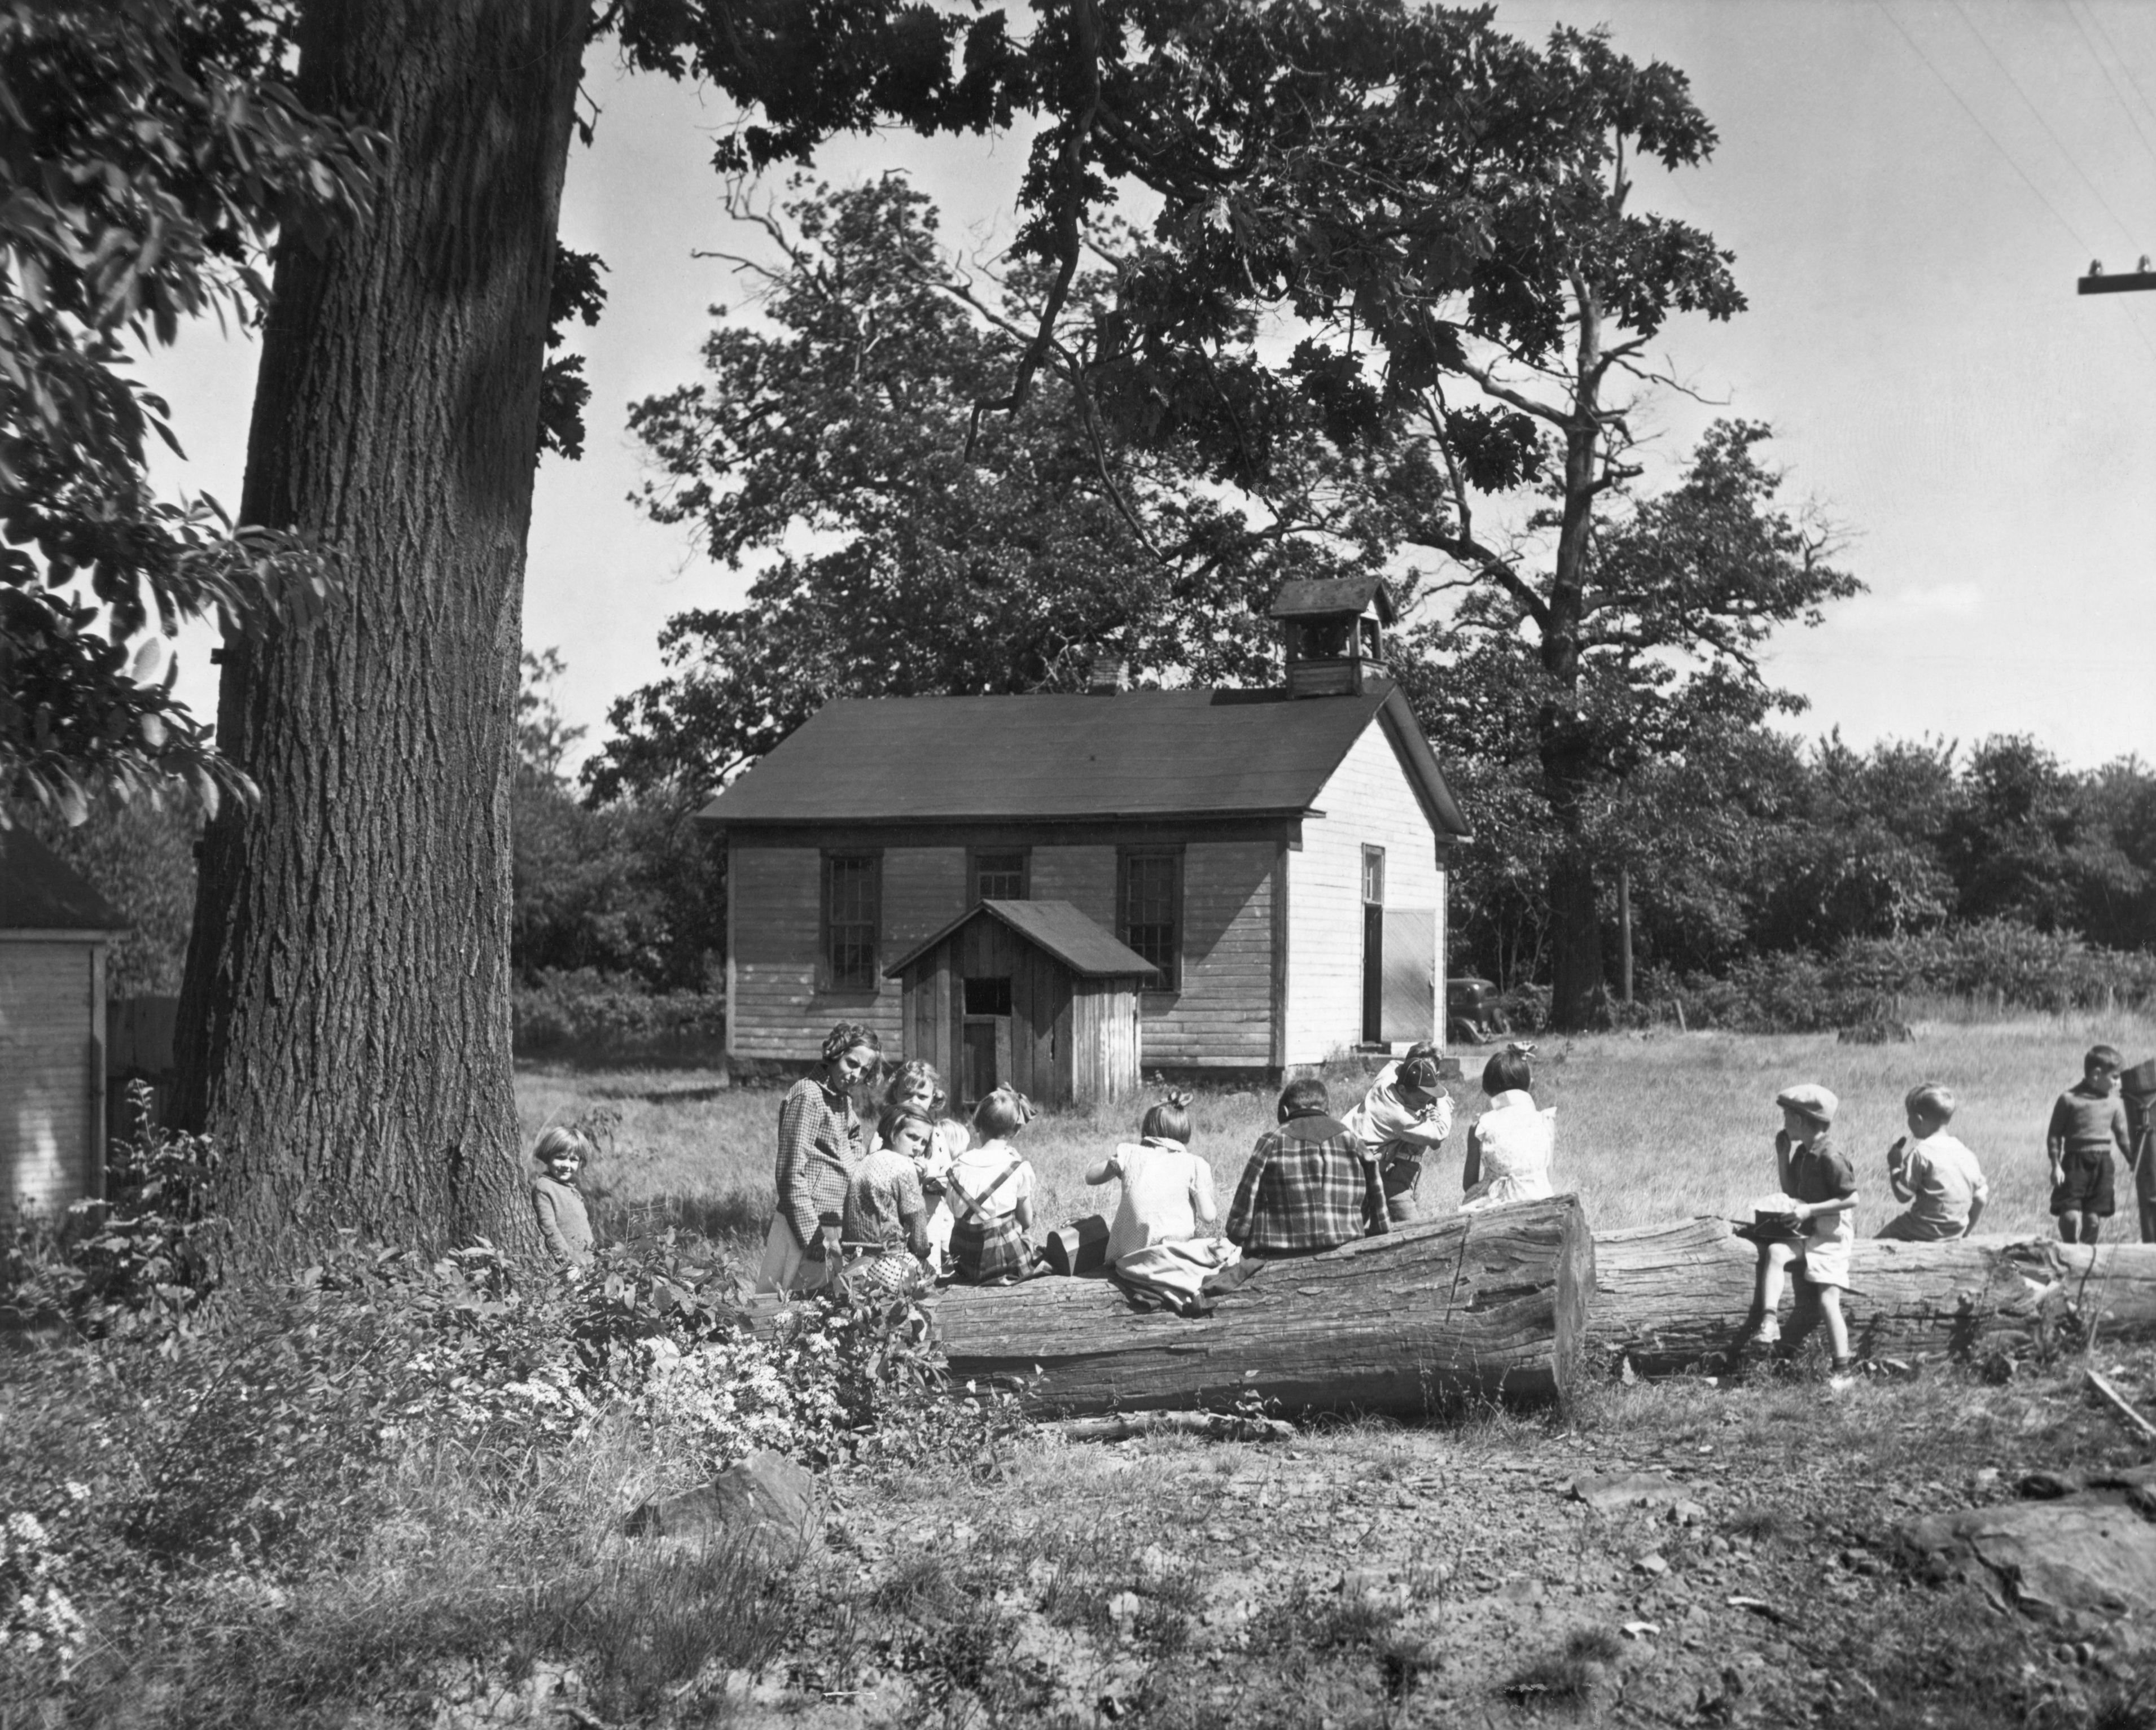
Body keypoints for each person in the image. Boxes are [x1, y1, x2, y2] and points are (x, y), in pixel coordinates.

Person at [1739, 1083, 1859, 1386]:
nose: (1784, 1124)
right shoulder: (1803, 1153)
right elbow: (1791, 1191)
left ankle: (1842, 1370)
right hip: (1808, 1231)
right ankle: (1769, 1321)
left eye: (1787, 1118)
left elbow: (1851, 1199)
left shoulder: (1831, 1157)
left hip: (1831, 1234)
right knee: (1777, 1253)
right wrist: (1783, 1155)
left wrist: (1809, 1210)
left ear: (1801, 1121)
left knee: (1827, 1299)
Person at [756, 1022, 878, 1294]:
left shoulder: (842, 1099)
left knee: (823, 1306)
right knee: (780, 1301)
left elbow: (854, 1137)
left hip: (833, 1220)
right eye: (852, 1063)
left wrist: (853, 1165)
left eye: (864, 1070)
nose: (856, 1074)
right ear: (835, 1053)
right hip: (804, 1224)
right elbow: (790, 1173)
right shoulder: (808, 1095)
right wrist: (811, 1236)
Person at [1225, 1077, 1387, 1259]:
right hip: (1344, 1240)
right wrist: (1381, 1227)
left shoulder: (1273, 1139)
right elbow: (1375, 1181)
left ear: (1284, 1111)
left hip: (1280, 1247)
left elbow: (1248, 1192)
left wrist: (1235, 1235)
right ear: (1327, 1111)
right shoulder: (1350, 1138)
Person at [1086, 1089, 1220, 1265]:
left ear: (1148, 1128)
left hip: (1127, 1259)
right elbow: (1209, 1216)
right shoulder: (1194, 1164)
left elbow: (1090, 1177)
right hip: (1172, 1258)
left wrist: (1115, 1162)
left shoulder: (1130, 1153)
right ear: (1185, 1131)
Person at [1343, 1045, 1453, 1223]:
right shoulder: (1400, 1117)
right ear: (1402, 1089)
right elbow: (1439, 1133)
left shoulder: (1386, 1080)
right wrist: (1443, 1100)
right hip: (1353, 1171)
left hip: (1353, 1159)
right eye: (1420, 1100)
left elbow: (1395, 1064)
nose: (1423, 1106)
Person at [945, 1087, 1038, 1284]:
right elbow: (1027, 1221)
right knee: (1029, 1242)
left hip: (964, 1258)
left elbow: (955, 1211)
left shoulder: (957, 1166)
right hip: (1003, 1262)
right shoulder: (1018, 1167)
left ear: (977, 1125)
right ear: (1015, 1130)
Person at [842, 1102, 935, 1294]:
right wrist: (923, 1251)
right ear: (893, 1131)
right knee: (934, 1282)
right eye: (912, 1137)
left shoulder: (866, 1161)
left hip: (857, 1262)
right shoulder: (902, 1166)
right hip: (890, 1261)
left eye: (924, 1142)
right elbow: (916, 1214)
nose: (918, 1147)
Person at [882, 1059, 967, 1271]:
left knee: (926, 1274)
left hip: (928, 1221)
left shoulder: (936, 1135)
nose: (914, 1101)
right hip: (892, 1220)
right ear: (895, 1094)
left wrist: (930, 1177)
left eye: (922, 1096)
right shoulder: (885, 1132)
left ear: (933, 1098)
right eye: (907, 1094)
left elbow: (950, 1180)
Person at [1877, 1083, 1989, 1241]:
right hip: (1955, 1232)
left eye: (1909, 1116)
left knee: (1882, 1243)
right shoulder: (1967, 1154)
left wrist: (1895, 1166)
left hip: (1920, 1228)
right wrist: (1965, 1232)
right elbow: (1980, 1200)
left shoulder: (1920, 1153)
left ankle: (1887, 1262)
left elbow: (1903, 1196)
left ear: (1918, 1120)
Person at [2049, 1044, 2135, 1245]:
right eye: (2114, 1077)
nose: (2118, 1082)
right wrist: (2056, 1165)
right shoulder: (2068, 1100)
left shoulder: (2113, 1103)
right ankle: (2070, 1249)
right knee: (2069, 1215)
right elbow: (2054, 1135)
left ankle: (2086, 1256)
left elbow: (2122, 1136)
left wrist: (2133, 1159)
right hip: (2074, 1163)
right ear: (2097, 1074)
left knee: (2092, 1220)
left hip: (2103, 1165)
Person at [1458, 1043, 1555, 1213]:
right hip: (1539, 1206)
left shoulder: (1481, 1126)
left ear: (1488, 1087)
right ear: (1529, 1084)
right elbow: (1548, 1178)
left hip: (1494, 1208)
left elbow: (1469, 1185)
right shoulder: (1545, 1121)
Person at [530, 1125, 595, 1270]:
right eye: (560, 1158)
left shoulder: (570, 1187)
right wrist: (568, 1263)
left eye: (573, 1160)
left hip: (589, 1264)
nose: (566, 1165)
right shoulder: (544, 1187)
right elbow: (549, 1227)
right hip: (570, 1268)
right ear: (547, 1157)